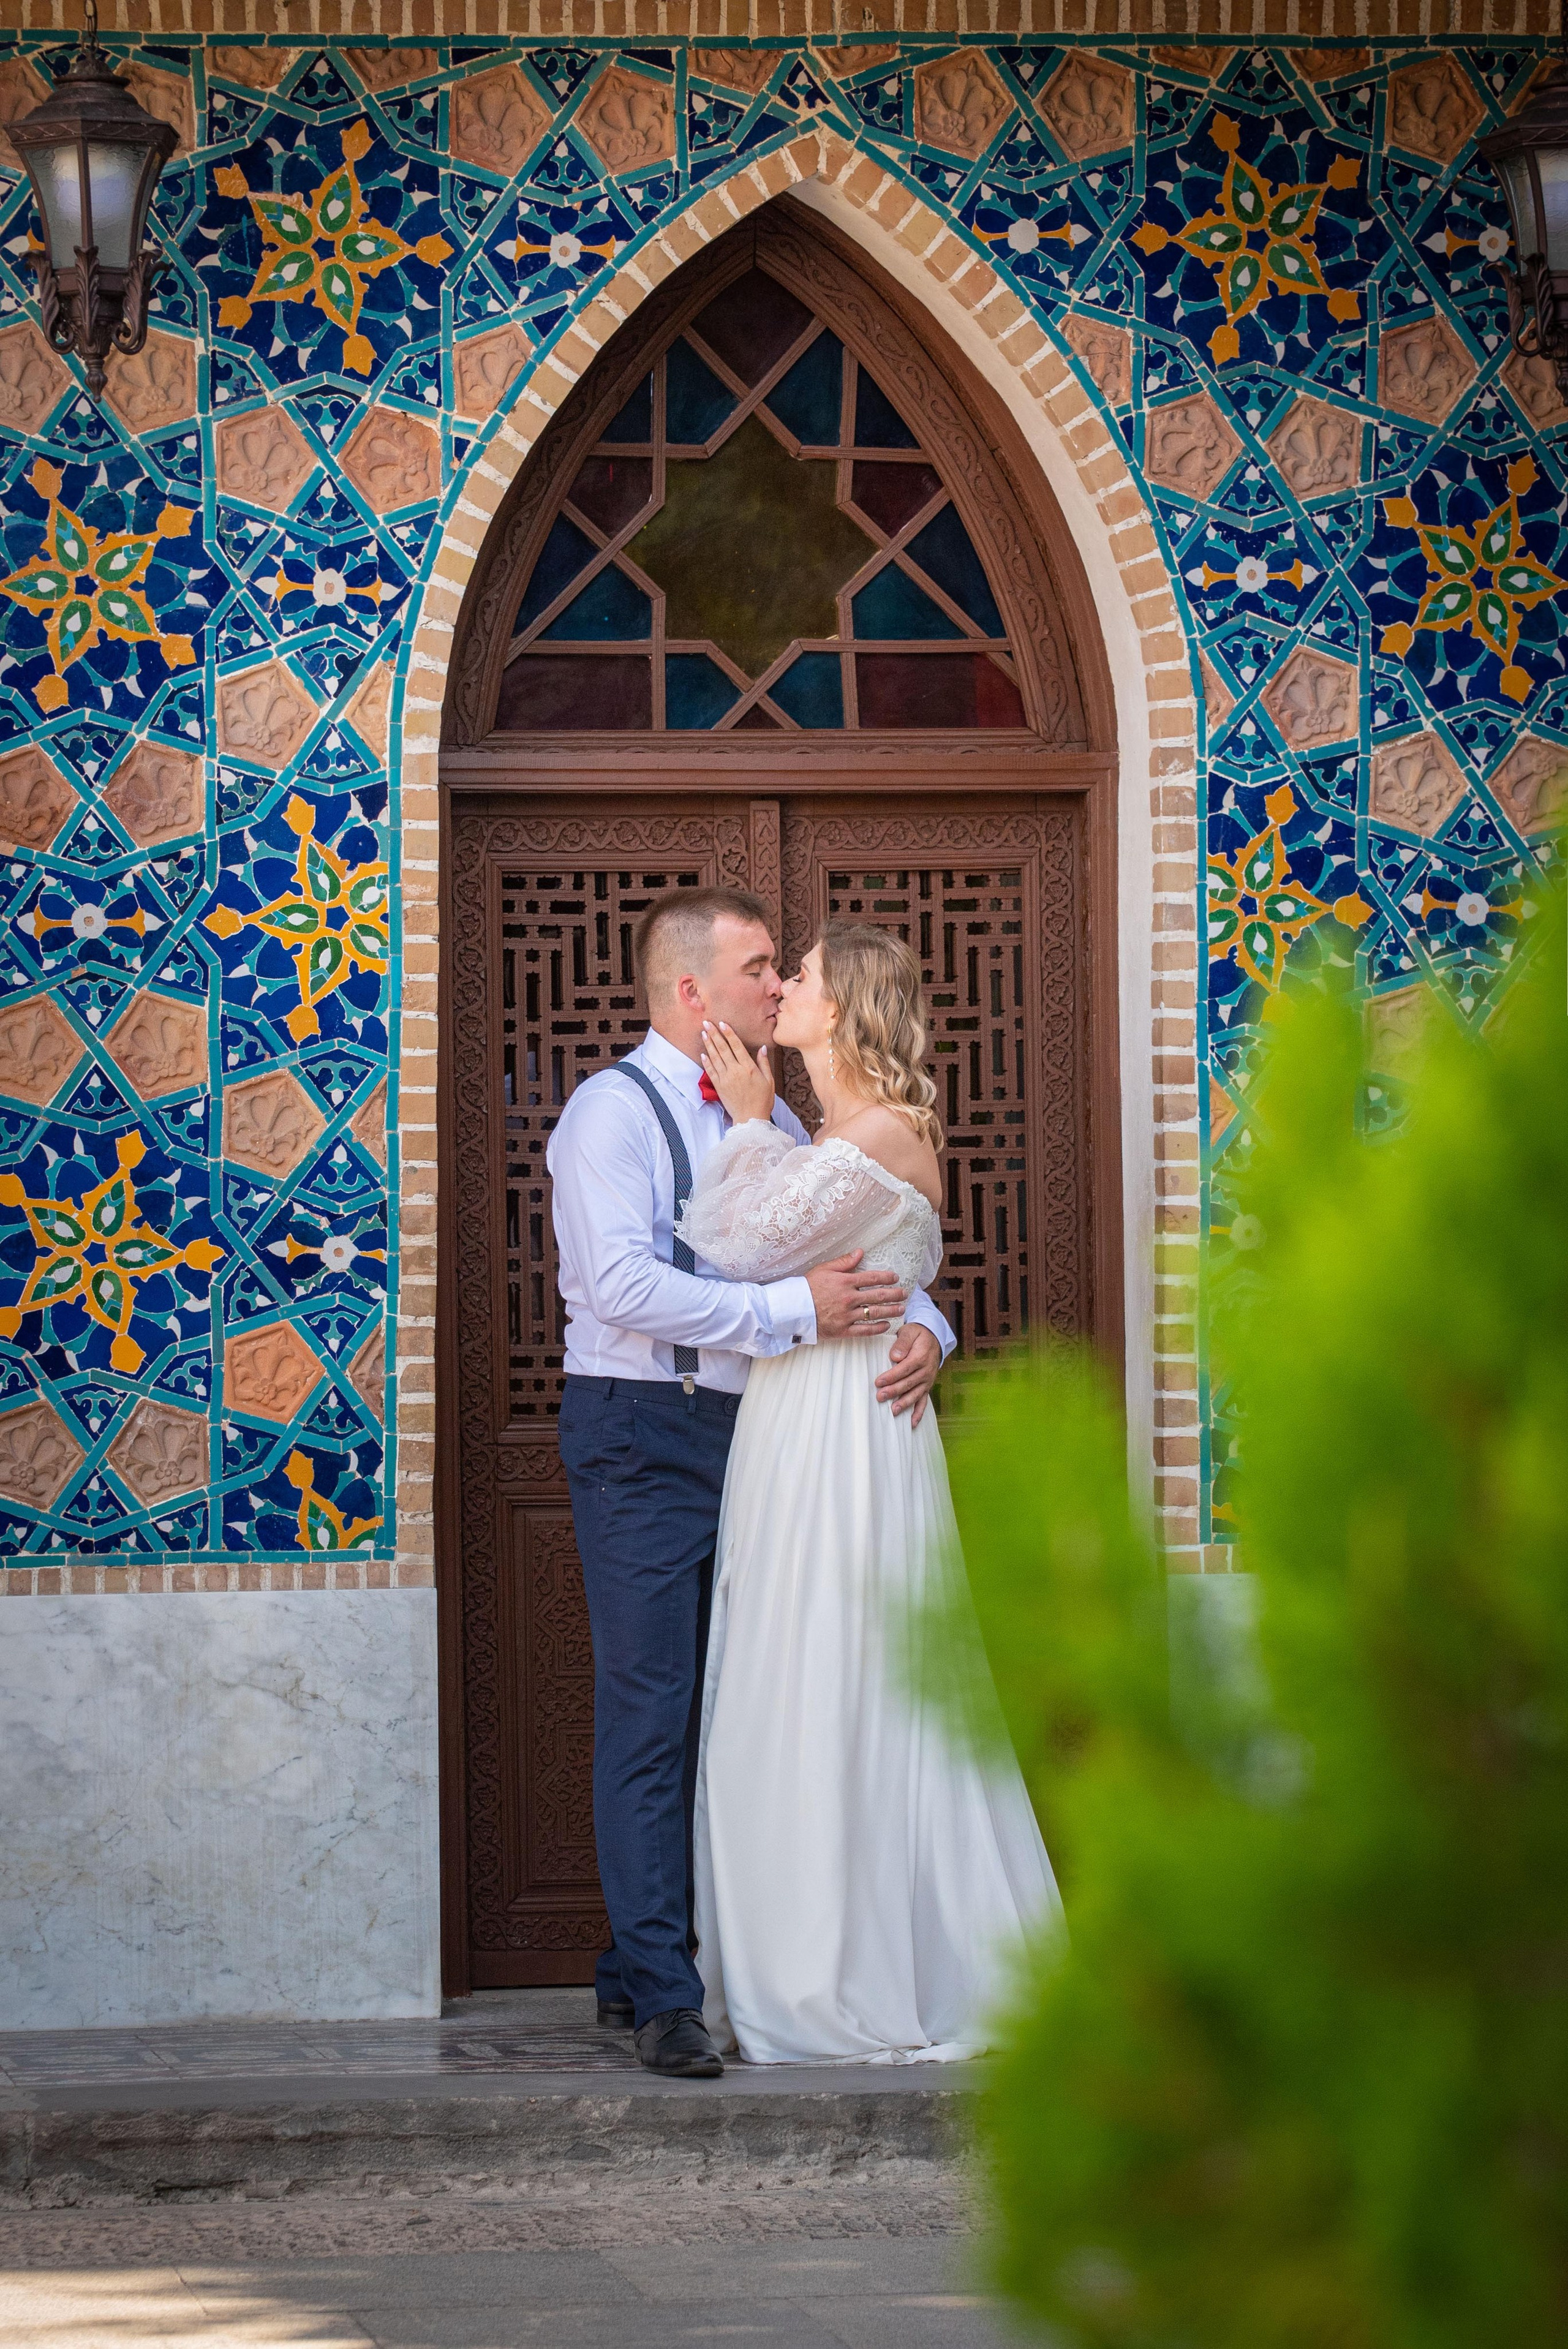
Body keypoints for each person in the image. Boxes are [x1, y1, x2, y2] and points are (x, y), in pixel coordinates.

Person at [548, 887, 957, 2079]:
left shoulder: (775, 1114)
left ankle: (663, 1965)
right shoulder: (605, 1117)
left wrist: (928, 1322)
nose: (777, 987)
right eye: (760, 966)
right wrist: (797, 1309)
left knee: (747, 1692)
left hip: (770, 1430)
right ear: (694, 990)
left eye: (788, 971)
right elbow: (622, 1285)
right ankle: (667, 1991)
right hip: (640, 1428)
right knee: (654, 1701)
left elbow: (862, 1241)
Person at [679, 923, 1061, 2064]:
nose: (784, 988)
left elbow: (737, 1248)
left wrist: (746, 1128)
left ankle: (847, 1972)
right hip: (798, 1419)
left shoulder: (882, 1132)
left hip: (846, 1433)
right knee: (788, 1669)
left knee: (833, 1677)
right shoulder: (838, 1136)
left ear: (843, 1007)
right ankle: (803, 1950)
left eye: (800, 974)